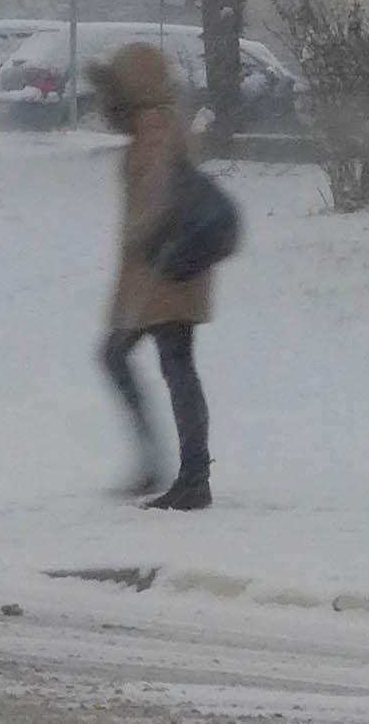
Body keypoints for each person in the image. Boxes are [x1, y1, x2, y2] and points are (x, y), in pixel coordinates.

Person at [91, 42, 219, 511]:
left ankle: (192, 476)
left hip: (167, 275)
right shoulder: (158, 123)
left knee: (173, 366)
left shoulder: (156, 127)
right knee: (136, 359)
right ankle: (172, 469)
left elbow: (155, 204)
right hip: (157, 275)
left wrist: (146, 251)